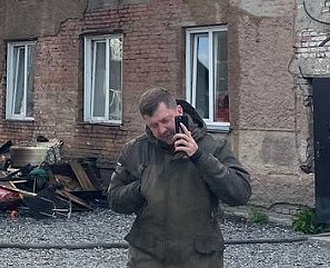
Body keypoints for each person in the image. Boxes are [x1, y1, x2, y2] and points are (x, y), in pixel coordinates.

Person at [107, 87, 252, 268]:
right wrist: (139, 188)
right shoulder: (135, 150)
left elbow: (240, 193)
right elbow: (114, 200)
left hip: (199, 257)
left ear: (179, 112)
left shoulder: (212, 147)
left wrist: (199, 157)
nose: (161, 130)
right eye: (153, 125)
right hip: (148, 255)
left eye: (165, 120)